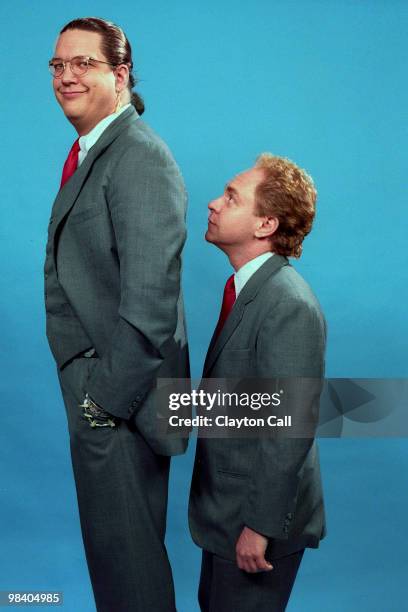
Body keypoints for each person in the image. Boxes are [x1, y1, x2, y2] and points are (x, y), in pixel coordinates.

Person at [44, 17, 189, 612]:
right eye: (58, 65)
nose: (67, 76)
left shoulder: (138, 156)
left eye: (84, 63)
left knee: (129, 574)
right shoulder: (94, 151)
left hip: (121, 404)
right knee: (117, 564)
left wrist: (101, 403)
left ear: (120, 74)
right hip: (106, 399)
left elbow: (151, 302)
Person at [189, 154, 326, 611]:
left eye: (231, 197)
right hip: (227, 514)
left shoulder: (288, 304)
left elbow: (290, 429)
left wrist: (260, 528)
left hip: (255, 527)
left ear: (265, 224)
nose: (213, 203)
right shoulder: (249, 291)